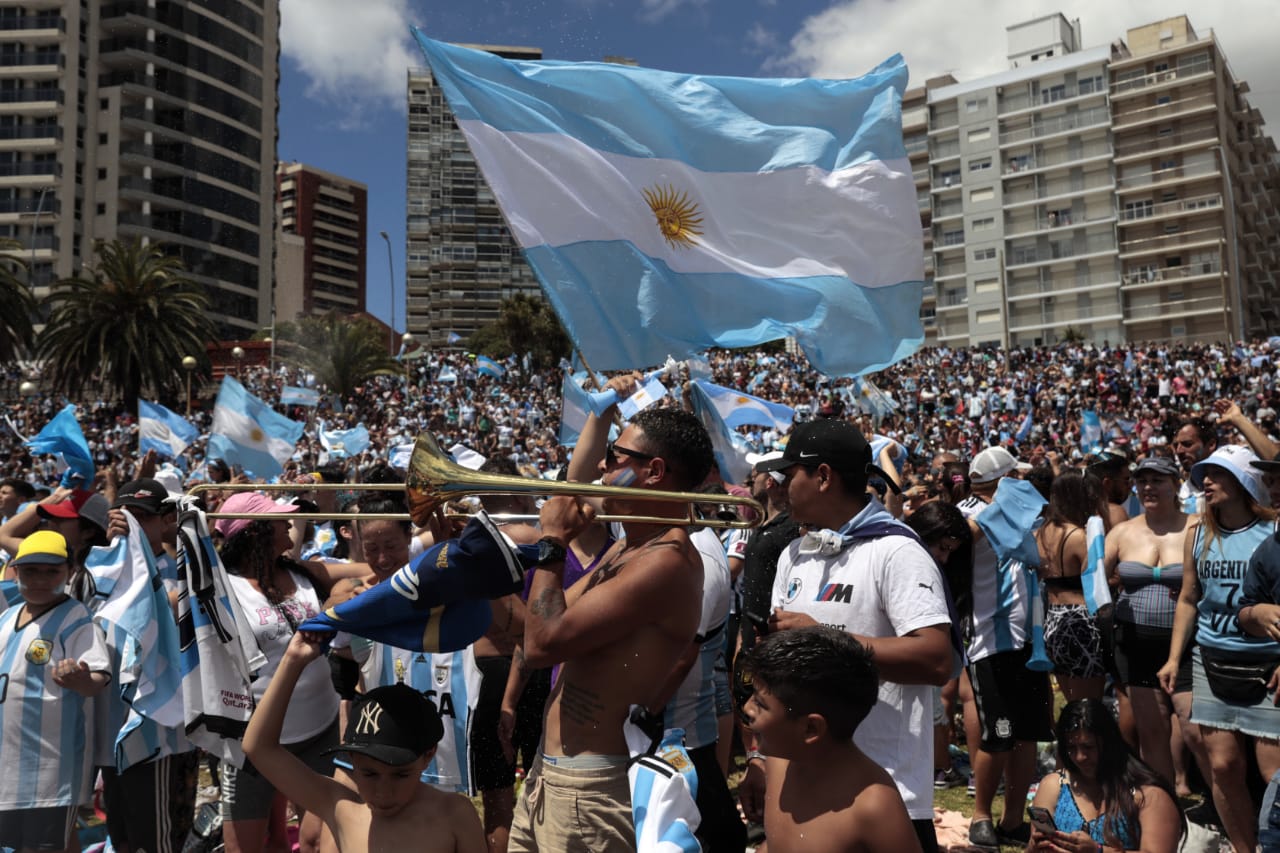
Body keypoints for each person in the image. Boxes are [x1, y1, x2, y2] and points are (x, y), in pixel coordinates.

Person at [509, 406, 715, 853]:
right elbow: (532, 627)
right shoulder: (628, 545)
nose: (602, 466)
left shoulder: (667, 561)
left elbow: (544, 644)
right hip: (555, 779)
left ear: (654, 471)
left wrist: (554, 540)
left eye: (615, 456)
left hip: (589, 790)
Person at [750, 418, 953, 853]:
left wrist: (826, 638)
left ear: (823, 477)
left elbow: (937, 659)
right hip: (802, 780)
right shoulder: (793, 553)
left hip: (886, 788)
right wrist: (758, 753)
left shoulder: (897, 550)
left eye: (789, 475)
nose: (779, 486)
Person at [243, 631, 486, 853]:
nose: (383, 792)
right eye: (369, 774)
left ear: (428, 756)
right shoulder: (339, 805)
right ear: (351, 759)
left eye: (400, 775)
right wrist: (292, 661)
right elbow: (258, 747)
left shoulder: (454, 814)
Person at [216, 492, 353, 853]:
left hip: (318, 736)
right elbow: (163, 600)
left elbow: (365, 572)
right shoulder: (219, 589)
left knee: (315, 843)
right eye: (279, 519)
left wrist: (337, 596)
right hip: (249, 745)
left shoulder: (306, 572)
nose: (289, 523)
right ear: (254, 532)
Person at [1158, 445, 1278, 852]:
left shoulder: (1273, 530)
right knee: (1223, 766)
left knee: (1272, 770)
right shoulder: (1197, 532)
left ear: (1244, 480)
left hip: (1266, 661)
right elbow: (1189, 598)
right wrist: (1175, 657)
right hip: (1211, 656)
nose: (1205, 482)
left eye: (1217, 473)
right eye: (1203, 474)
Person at [740, 626, 921, 853]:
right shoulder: (779, 763)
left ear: (810, 728)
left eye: (760, 704)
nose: (747, 708)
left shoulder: (874, 806)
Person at [958, 446, 1052, 849]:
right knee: (999, 733)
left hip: (1028, 639)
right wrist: (999, 506)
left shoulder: (1019, 506)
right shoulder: (966, 511)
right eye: (1016, 475)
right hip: (989, 639)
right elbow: (963, 538)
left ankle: (1013, 818)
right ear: (1001, 479)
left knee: (1028, 734)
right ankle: (981, 815)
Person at [0, 531, 111, 853]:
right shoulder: (6, 617)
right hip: (6, 770)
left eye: (52, 571)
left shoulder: (77, 618)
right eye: (31, 571)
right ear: (16, 571)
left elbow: (96, 680)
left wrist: (79, 679)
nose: (40, 580)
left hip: (49, 774)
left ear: (70, 572)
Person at [1105, 456, 1206, 799]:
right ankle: (1164, 811)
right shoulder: (1123, 532)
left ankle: (1225, 808)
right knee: (1152, 734)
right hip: (1136, 643)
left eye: (1157, 480)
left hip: (1189, 644)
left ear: (1175, 484)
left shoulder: (1198, 527)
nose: (1148, 487)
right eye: (1142, 480)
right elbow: (1095, 579)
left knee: (1195, 731)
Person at [1026, 699, 1182, 852]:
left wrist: (1098, 851)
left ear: (1108, 743)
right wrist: (1034, 848)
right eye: (1071, 748)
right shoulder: (1053, 786)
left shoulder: (1148, 795)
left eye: (1088, 747)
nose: (1080, 757)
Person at [1034, 472, 1107, 701]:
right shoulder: (1078, 536)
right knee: (1090, 702)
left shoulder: (1041, 533)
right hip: (1081, 620)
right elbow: (1098, 577)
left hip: (1053, 619)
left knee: (1071, 699)